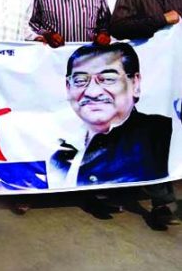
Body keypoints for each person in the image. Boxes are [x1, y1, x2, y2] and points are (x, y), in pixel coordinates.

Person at [50, 43, 175, 228]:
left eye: (108, 78)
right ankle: (94, 197)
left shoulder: (161, 131)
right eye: (80, 81)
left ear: (135, 83)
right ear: (68, 87)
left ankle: (161, 204)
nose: (92, 92)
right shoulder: (58, 147)